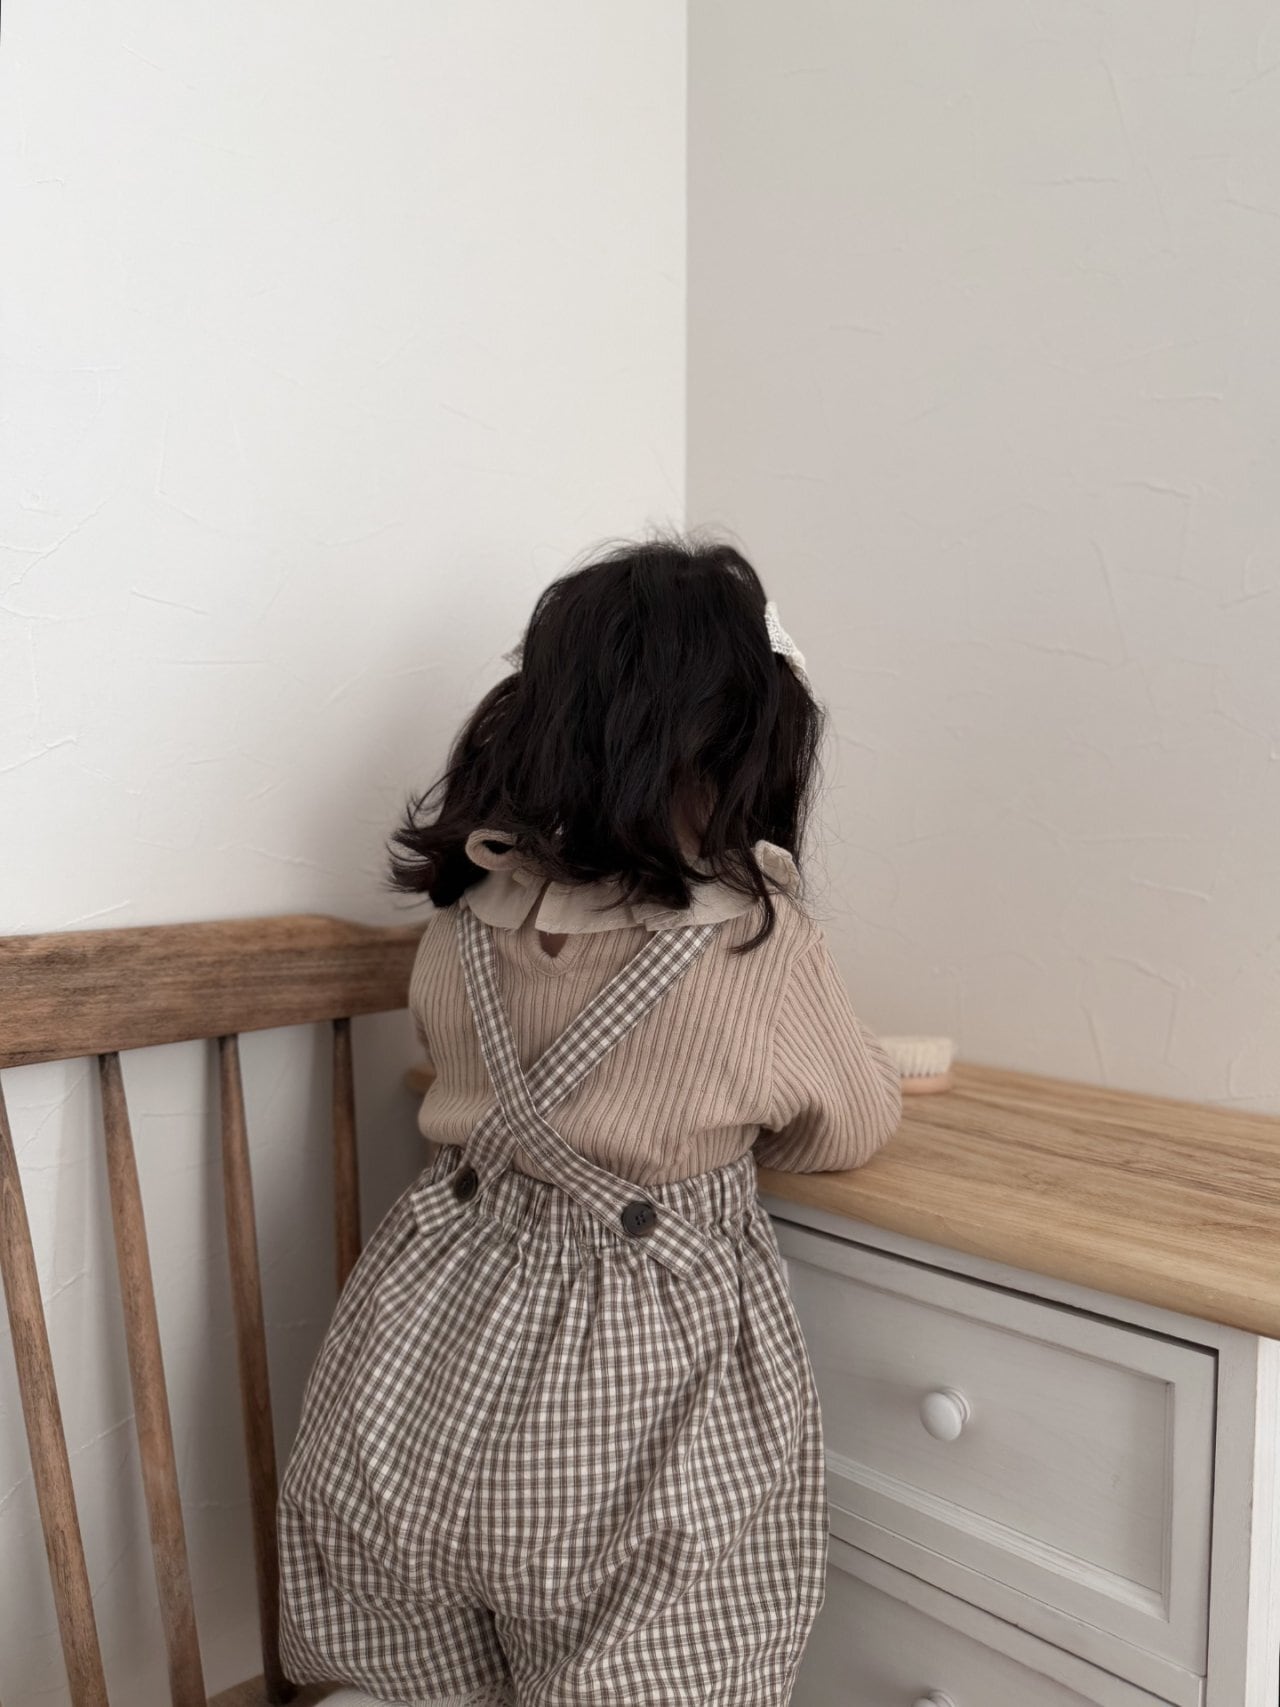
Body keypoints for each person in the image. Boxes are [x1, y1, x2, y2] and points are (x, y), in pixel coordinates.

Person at [277, 536, 902, 1706]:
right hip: (628, 1398)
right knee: (652, 1655)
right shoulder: (755, 941)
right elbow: (847, 1124)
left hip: (416, 1357)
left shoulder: (461, 921)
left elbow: (458, 1066)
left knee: (404, 1673)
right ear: (742, 749)